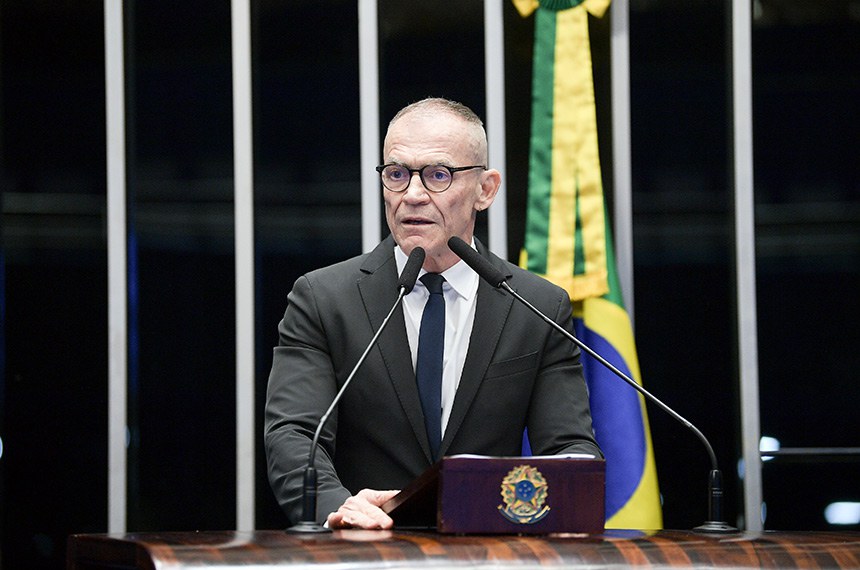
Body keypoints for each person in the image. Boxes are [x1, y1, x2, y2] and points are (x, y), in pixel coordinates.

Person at [265, 97, 602, 530]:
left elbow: (568, 446)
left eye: (438, 175)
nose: (413, 195)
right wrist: (339, 506)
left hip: (488, 552)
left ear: (486, 189)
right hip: (364, 552)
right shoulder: (324, 299)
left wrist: (566, 491)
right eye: (397, 174)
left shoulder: (537, 306)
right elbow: (294, 434)